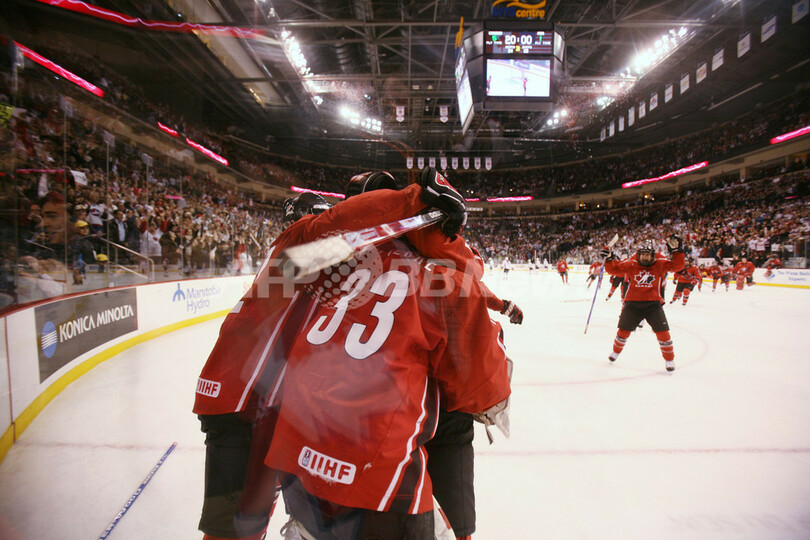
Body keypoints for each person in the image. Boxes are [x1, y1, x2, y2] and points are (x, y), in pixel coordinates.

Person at [194, 169, 509, 540]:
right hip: (278, 414)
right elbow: (457, 283)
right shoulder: (314, 245)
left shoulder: (329, 259)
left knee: (240, 527)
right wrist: (419, 204)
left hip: (282, 423)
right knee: (237, 529)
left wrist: (496, 300)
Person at [602, 237, 685, 372]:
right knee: (623, 332)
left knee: (663, 333)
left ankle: (669, 360)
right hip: (632, 304)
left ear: (653, 256)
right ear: (639, 255)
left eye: (648, 255)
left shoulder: (660, 263)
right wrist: (609, 258)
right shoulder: (631, 263)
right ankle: (615, 352)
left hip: (653, 305)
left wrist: (677, 251)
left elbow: (677, 266)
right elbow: (614, 270)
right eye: (643, 254)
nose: (645, 257)